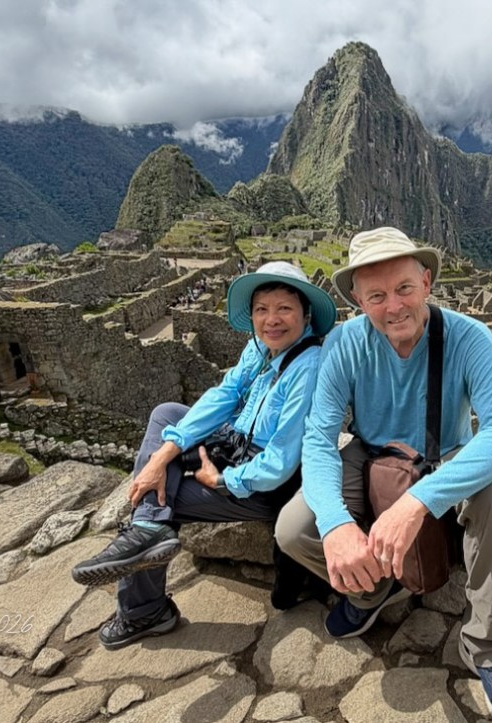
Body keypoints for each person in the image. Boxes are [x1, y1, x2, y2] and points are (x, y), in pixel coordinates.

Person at [275, 227, 492, 723]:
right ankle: (372, 588)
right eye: (376, 296)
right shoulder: (344, 346)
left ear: (428, 283)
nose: (393, 306)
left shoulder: (468, 338)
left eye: (403, 289)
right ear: (358, 299)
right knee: (295, 529)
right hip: (372, 451)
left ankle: (489, 646)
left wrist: (416, 505)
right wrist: (335, 525)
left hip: (447, 452)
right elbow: (319, 437)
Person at [71, 261, 338, 650]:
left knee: (166, 498)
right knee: (166, 415)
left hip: (262, 481)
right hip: (233, 443)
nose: (271, 320)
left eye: (284, 309)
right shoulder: (261, 348)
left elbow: (281, 460)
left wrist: (222, 480)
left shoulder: (308, 367)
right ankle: (149, 528)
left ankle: (144, 608)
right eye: (262, 309)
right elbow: (225, 395)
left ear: (306, 313)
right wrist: (165, 454)